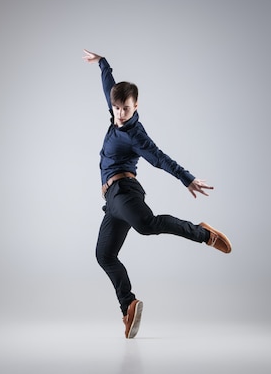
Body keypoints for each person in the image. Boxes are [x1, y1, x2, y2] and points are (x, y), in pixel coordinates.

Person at [82, 49, 231, 339]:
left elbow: (160, 157)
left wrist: (186, 179)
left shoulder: (135, 135)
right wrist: (103, 63)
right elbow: (108, 86)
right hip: (112, 202)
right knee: (104, 255)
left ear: (135, 106)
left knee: (146, 225)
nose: (120, 114)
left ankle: (203, 234)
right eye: (116, 108)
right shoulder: (114, 116)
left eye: (125, 109)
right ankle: (128, 305)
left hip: (125, 191)